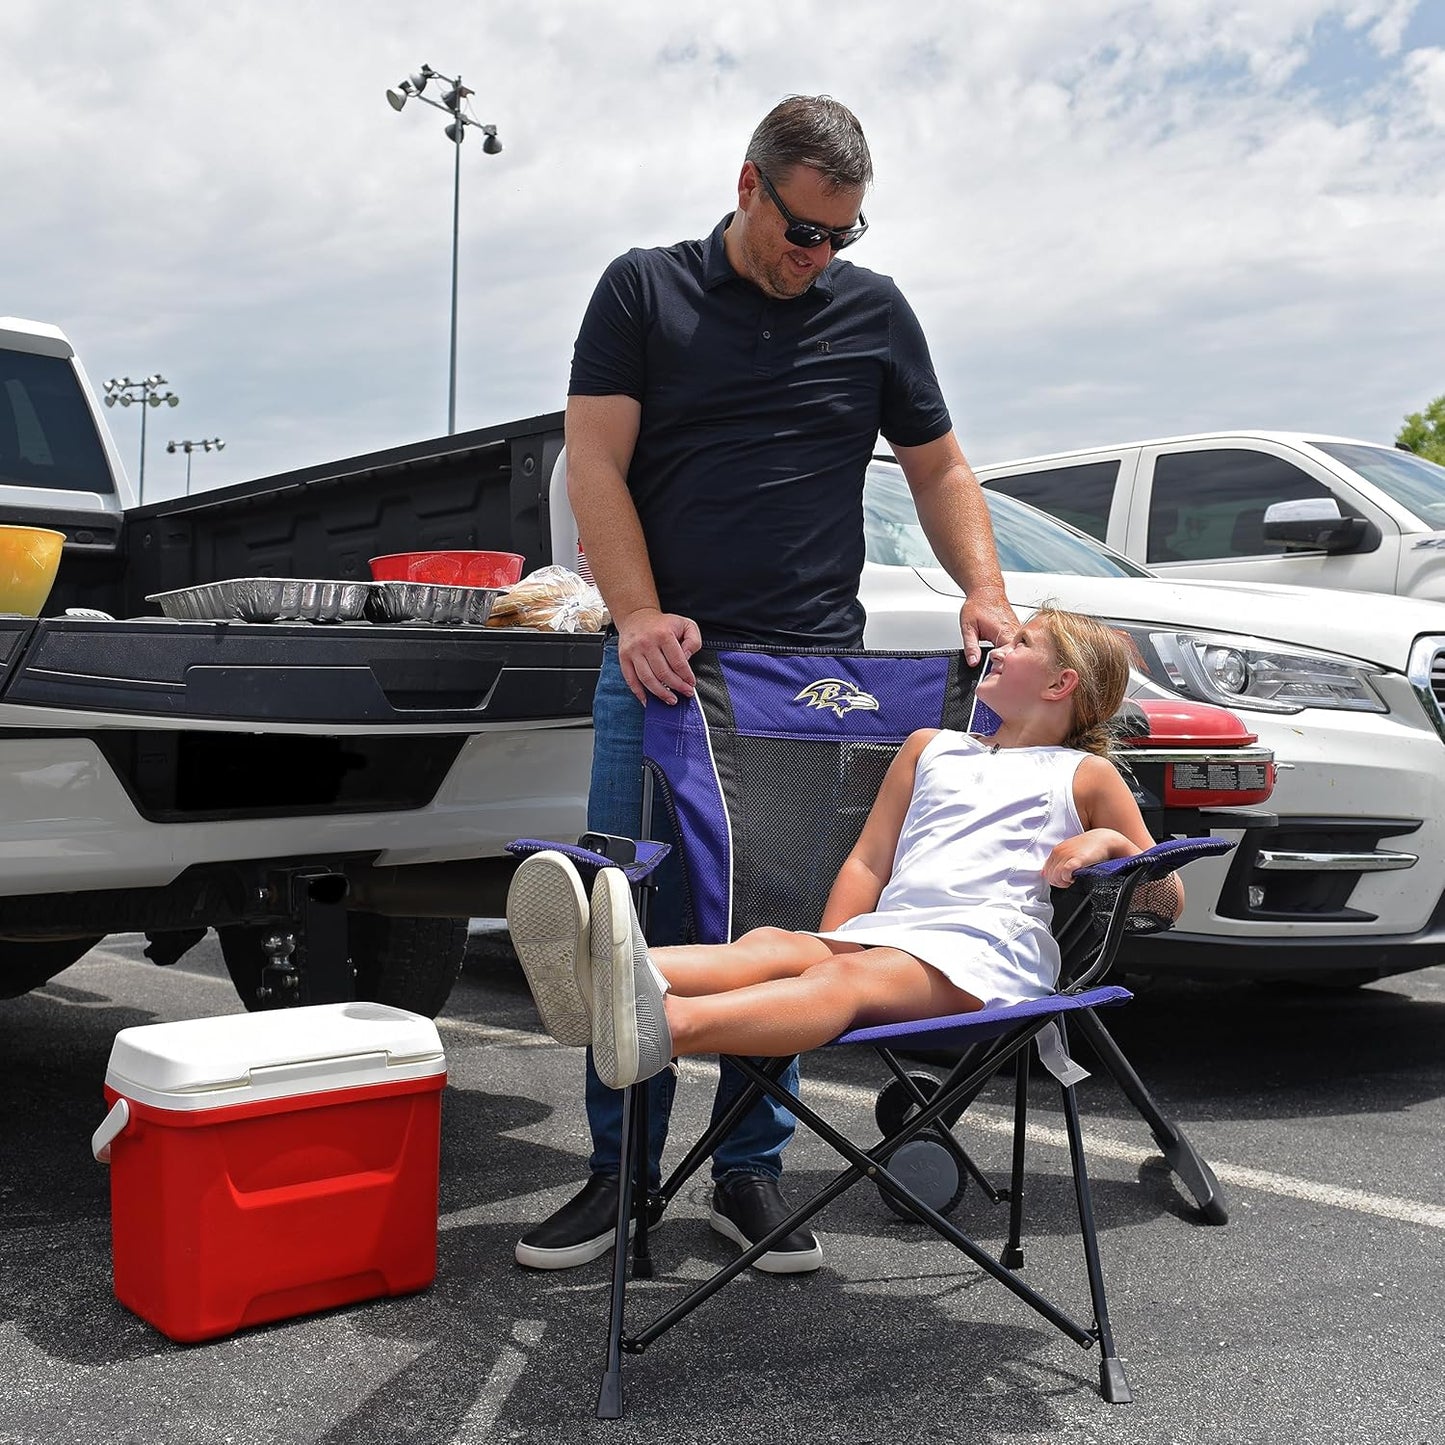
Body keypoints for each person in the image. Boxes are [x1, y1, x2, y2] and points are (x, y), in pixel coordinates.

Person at [512, 93, 1019, 1275]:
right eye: (803, 232)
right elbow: (595, 460)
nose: (819, 258)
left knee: (773, 920)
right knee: (622, 912)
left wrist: (982, 591)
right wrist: (635, 614)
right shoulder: (643, 290)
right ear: (748, 188)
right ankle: (617, 1180)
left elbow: (937, 464)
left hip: (806, 678)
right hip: (663, 668)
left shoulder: (871, 309)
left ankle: (747, 1174)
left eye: (842, 236)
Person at [510, 607, 1182, 1109]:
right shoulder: (930, 746)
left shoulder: (1083, 774)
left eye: (1020, 642)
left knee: (840, 984)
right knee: (776, 945)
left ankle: (668, 1025)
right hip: (888, 936)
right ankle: (604, 973)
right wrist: (827, 940)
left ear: (1061, 683)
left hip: (984, 953)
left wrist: (1112, 844)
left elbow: (1162, 899)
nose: (997, 649)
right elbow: (868, 861)